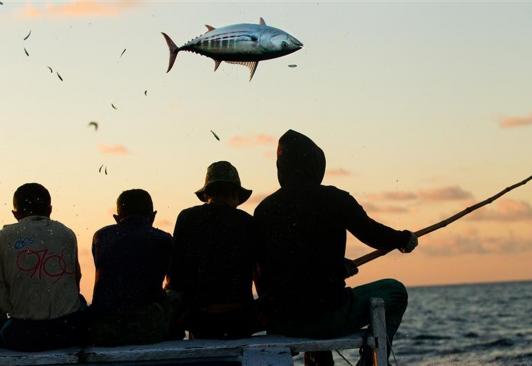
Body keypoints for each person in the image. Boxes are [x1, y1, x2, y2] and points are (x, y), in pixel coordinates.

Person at [254, 130, 418, 366]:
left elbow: (265, 268)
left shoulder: (264, 210)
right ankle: (369, 362)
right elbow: (372, 234)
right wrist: (403, 239)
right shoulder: (335, 199)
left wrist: (334, 267)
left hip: (283, 321)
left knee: (314, 308)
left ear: (282, 168)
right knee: (395, 291)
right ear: (316, 164)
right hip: (328, 316)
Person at [166, 161, 259, 339]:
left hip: (197, 318)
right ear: (235, 195)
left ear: (207, 194)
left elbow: (174, 275)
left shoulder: (187, 218)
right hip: (239, 318)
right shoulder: (247, 222)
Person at [89, 189, 183, 346]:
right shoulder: (164, 239)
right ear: (153, 216)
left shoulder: (101, 236)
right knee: (176, 296)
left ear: (117, 218)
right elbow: (173, 283)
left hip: (104, 330)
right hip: (148, 329)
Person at [0, 183, 86, 351]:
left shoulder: (4, 238)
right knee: (81, 302)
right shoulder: (66, 233)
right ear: (50, 209)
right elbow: (76, 280)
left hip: (24, 336)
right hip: (67, 333)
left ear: (15, 214)